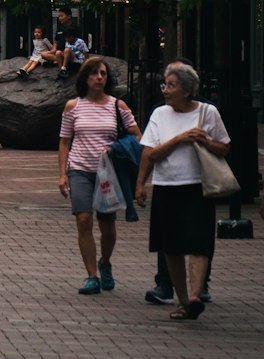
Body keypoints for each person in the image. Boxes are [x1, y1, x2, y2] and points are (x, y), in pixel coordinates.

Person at [135, 61, 230, 321]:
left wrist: (205, 141)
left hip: (198, 187)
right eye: (165, 85)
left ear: (187, 90)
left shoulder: (208, 112)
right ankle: (184, 300)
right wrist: (178, 139)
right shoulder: (159, 115)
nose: (165, 90)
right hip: (167, 187)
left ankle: (196, 295)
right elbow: (151, 153)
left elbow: (224, 148)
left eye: (171, 85)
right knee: (172, 247)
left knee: (200, 244)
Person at [58, 55, 140, 294]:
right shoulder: (73, 106)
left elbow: (137, 136)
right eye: (94, 73)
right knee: (83, 220)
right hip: (80, 169)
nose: (99, 78)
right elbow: (65, 141)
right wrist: (62, 174)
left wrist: (115, 148)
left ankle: (105, 262)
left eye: (103, 74)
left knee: (107, 226)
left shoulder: (118, 106)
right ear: (85, 77)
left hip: (108, 173)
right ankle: (91, 275)